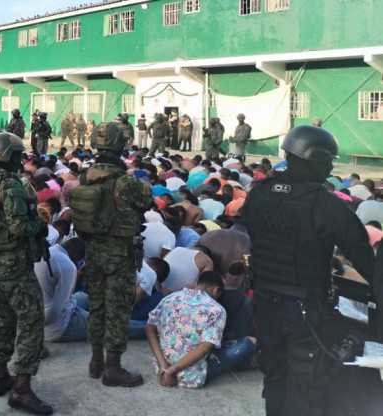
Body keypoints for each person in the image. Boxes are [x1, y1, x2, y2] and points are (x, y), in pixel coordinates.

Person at [240, 125, 374, 416]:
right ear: (316, 159)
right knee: (306, 386)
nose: (330, 168)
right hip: (304, 311)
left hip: (263, 304)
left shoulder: (259, 193)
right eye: (328, 161)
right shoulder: (325, 203)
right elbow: (365, 257)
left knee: (275, 378)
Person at [0, 132, 53, 415]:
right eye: (17, 155)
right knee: (31, 322)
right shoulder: (11, 185)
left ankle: (0, 375)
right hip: (13, 263)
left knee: (0, 319)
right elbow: (19, 227)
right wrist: (39, 224)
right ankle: (22, 389)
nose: (21, 160)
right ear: (9, 156)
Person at [70, 122, 153, 387]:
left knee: (96, 307)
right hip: (119, 252)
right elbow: (146, 201)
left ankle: (96, 362)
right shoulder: (126, 182)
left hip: (93, 250)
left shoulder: (85, 176)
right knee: (117, 311)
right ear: (120, 145)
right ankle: (113, 369)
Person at [146, 271, 256, 388]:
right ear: (216, 290)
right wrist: (172, 371)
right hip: (191, 377)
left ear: (197, 283)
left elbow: (149, 327)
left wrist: (163, 365)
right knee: (250, 341)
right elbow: (204, 347)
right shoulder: (216, 309)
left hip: (161, 369)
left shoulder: (171, 297)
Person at [34, 237, 88, 342]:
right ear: (76, 252)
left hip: (47, 311)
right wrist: (37, 325)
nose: (77, 262)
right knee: (107, 324)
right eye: (79, 259)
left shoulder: (50, 251)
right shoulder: (67, 265)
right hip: (59, 326)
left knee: (85, 297)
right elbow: (55, 309)